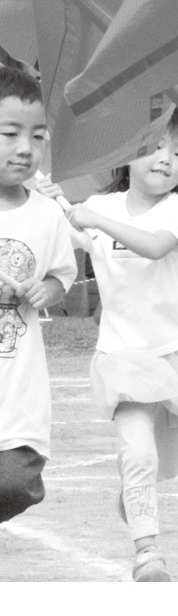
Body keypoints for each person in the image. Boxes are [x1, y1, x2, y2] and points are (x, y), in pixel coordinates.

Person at [65, 112, 178, 581]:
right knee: (138, 453)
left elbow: (155, 247)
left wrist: (93, 217)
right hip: (122, 355)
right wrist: (59, 209)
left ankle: (135, 491)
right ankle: (147, 553)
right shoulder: (103, 205)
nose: (166, 159)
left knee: (164, 464)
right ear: (128, 154)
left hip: (174, 352)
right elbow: (72, 235)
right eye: (156, 147)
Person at [0, 67, 76, 529]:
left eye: (38, 136)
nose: (26, 148)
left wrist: (42, 290)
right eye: (10, 134)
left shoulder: (47, 215)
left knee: (16, 483)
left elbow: (60, 279)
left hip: (18, 389)